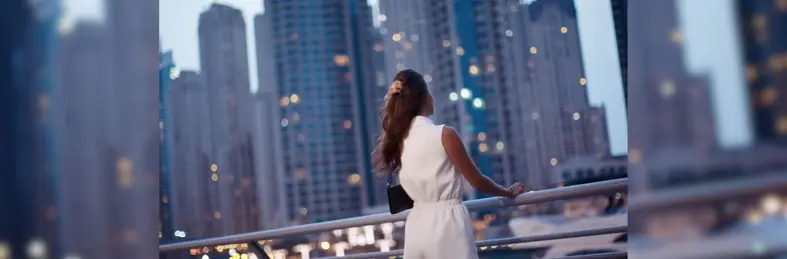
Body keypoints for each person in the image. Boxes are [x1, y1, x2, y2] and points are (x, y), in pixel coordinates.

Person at [372, 69, 526, 259]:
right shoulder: (445, 134)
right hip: (447, 223)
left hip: (416, 226)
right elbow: (477, 181)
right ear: (423, 97)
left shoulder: (398, 141)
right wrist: (507, 192)